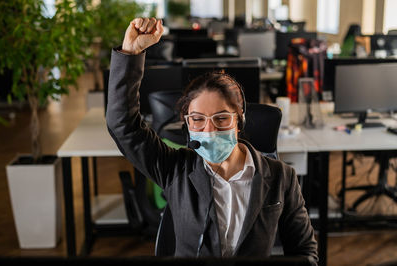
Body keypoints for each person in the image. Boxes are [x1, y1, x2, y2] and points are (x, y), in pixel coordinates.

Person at [106, 17, 318, 264]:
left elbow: (305, 254)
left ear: (240, 120)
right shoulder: (175, 170)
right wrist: (131, 53)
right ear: (186, 123)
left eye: (221, 118)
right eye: (197, 119)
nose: (208, 130)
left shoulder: (281, 177)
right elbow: (123, 126)